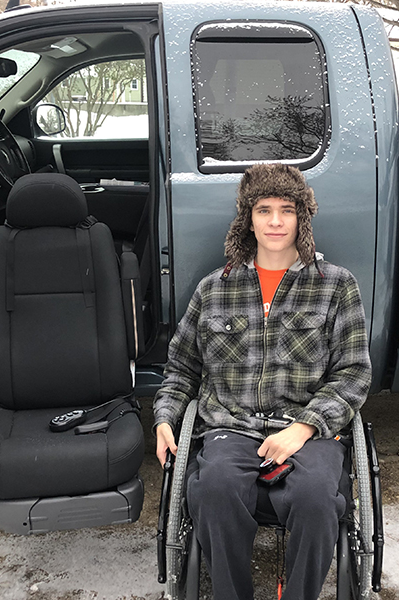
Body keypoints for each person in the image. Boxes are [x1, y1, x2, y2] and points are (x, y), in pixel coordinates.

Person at [153, 163, 371, 600]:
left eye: (287, 210)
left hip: (308, 431)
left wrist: (304, 427)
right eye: (263, 209)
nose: (275, 222)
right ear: (247, 219)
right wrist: (164, 419)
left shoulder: (336, 286)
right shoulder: (214, 288)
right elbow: (181, 368)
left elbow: (354, 373)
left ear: (302, 218)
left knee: (316, 502)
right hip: (230, 427)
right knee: (212, 490)